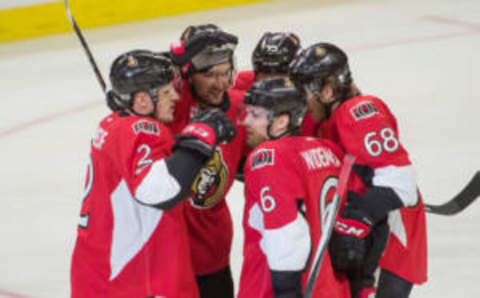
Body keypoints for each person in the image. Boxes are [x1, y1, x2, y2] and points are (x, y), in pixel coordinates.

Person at [70, 50, 236, 298]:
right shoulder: (141, 130)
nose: (176, 97)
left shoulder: (112, 124)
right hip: (133, 281)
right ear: (142, 101)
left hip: (100, 274)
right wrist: (201, 135)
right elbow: (159, 190)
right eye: (167, 92)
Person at [289, 42, 427, 298]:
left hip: (391, 235)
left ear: (328, 91)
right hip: (364, 228)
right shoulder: (319, 116)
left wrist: (354, 220)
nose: (300, 100)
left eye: (304, 91)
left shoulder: (357, 113)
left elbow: (401, 183)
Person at [238, 77, 352, 298]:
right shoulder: (328, 150)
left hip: (278, 288)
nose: (246, 122)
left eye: (255, 115)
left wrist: (286, 292)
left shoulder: (269, 156)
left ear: (281, 121)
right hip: (332, 287)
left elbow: (286, 231)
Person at [169, 24, 248, 298]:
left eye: (225, 73)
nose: (220, 84)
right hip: (166, 249)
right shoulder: (171, 103)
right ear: (188, 74)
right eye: (210, 75)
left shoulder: (241, 107)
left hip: (212, 246)